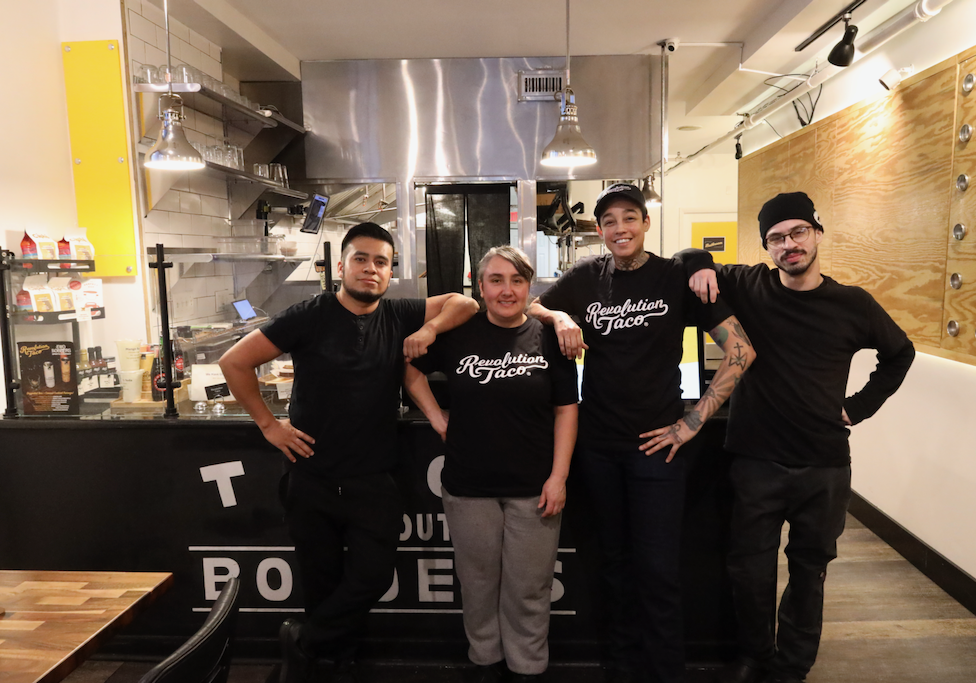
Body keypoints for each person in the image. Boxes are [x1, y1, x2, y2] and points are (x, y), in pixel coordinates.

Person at [218, 222, 479, 683]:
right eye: (361, 259)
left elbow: (466, 302)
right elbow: (234, 362)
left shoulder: (399, 314)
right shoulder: (309, 315)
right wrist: (268, 425)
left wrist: (430, 329)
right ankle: (325, 665)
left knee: (373, 576)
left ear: (391, 271)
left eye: (381, 262)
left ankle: (303, 641)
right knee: (321, 582)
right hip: (310, 476)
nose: (371, 269)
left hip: (372, 479)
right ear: (341, 265)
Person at [527, 183, 756, 683]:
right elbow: (530, 306)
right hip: (598, 446)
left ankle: (664, 670)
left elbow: (741, 351)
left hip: (658, 450)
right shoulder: (586, 276)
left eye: (629, 218)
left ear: (646, 223)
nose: (619, 229)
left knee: (656, 569)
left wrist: (691, 423)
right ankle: (622, 665)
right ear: (601, 230)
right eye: (609, 222)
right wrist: (561, 314)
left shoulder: (677, 276)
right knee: (611, 562)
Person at [683, 192, 916, 683]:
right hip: (756, 459)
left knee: (810, 570)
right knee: (750, 570)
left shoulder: (853, 303)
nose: (789, 245)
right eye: (776, 238)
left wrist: (857, 407)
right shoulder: (749, 284)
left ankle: (793, 665)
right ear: (766, 246)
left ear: (816, 233)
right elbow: (686, 260)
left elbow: (900, 353)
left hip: (824, 464)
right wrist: (702, 262)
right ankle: (754, 657)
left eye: (798, 233)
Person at [403, 246, 579, 683]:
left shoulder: (549, 339)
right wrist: (435, 415)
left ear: (529, 287)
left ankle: (527, 667)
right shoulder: (457, 335)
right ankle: (485, 661)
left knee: (530, 589)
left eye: (516, 280)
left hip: (533, 488)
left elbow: (566, 410)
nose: (506, 290)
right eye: (496, 280)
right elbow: (406, 365)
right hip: (468, 486)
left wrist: (558, 477)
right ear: (480, 288)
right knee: (478, 585)